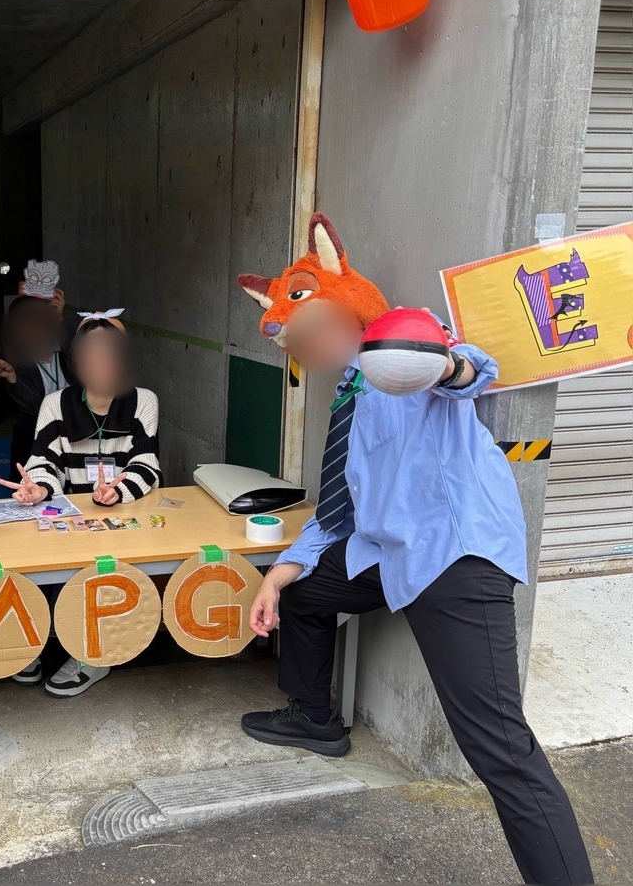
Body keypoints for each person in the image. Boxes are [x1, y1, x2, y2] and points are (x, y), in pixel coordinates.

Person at [235, 213, 593, 886]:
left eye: (312, 331)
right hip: (387, 551)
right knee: (305, 591)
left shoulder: (403, 347)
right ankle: (314, 717)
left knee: (499, 749)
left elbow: (469, 371)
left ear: (350, 315)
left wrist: (443, 363)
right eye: (296, 343)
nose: (306, 349)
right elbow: (338, 510)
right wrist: (278, 574)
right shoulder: (348, 391)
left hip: (454, 557)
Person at [0, 310, 162, 697]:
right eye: (90, 355)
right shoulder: (56, 403)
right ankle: (35, 641)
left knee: (104, 569)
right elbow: (44, 462)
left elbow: (147, 463)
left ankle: (93, 656)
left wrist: (117, 491)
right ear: (75, 361)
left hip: (121, 513)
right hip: (70, 515)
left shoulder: (143, 401)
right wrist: (38, 489)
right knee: (29, 559)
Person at [0, 289, 73, 481]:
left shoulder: (67, 348)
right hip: (44, 420)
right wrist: (12, 378)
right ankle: (22, 482)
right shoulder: (20, 360)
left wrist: (61, 318)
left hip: (76, 417)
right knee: (26, 427)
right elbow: (31, 408)